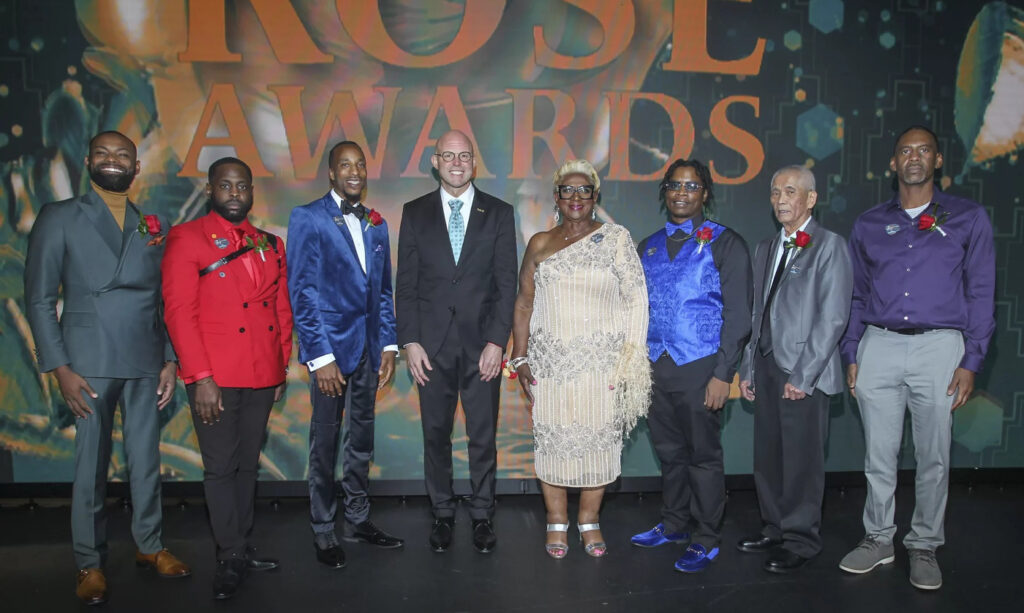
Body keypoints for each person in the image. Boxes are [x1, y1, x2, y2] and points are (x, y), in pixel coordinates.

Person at [23, 130, 190, 605]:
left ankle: (150, 545)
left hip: (145, 357)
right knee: (90, 467)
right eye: (103, 153)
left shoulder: (152, 223)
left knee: (146, 461)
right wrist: (59, 367)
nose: (112, 160)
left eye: (122, 155)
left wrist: (170, 359)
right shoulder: (59, 216)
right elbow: (38, 299)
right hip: (87, 360)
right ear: (88, 161)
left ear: (136, 167)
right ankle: (88, 562)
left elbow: (164, 300)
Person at [838, 125, 995, 590]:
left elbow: (981, 292)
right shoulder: (869, 224)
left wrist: (972, 359)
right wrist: (852, 350)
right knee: (878, 454)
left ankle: (924, 543)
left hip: (940, 347)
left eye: (923, 150)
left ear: (937, 160)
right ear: (893, 163)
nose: (914, 157)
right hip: (879, 344)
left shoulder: (968, 218)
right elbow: (856, 295)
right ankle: (878, 538)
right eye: (905, 151)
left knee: (934, 456)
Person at [161, 157, 292, 599]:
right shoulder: (187, 237)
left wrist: (280, 366)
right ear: (209, 190)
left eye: (242, 186)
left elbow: (281, 309)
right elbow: (179, 313)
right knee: (220, 467)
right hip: (215, 375)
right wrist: (200, 377)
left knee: (247, 463)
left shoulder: (270, 243)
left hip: (262, 371)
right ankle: (229, 553)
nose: (234, 193)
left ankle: (240, 543)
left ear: (252, 191)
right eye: (225, 185)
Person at [509, 159, 650, 559]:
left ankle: (589, 520)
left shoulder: (616, 239)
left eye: (583, 190)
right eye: (567, 190)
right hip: (550, 367)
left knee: (599, 444)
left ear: (594, 196)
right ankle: (556, 520)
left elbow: (637, 299)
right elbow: (524, 303)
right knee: (552, 442)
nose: (575, 196)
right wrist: (520, 357)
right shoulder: (539, 243)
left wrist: (630, 362)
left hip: (602, 367)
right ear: (556, 197)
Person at [395, 129, 518, 553]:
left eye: (464, 155)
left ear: (474, 163)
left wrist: (497, 342)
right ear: (435, 162)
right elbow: (406, 284)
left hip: (483, 346)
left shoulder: (499, 213)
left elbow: (506, 284)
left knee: (482, 436)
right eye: (448, 156)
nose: (456, 163)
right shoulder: (415, 213)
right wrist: (410, 341)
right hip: (430, 348)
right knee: (435, 435)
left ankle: (482, 514)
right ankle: (442, 513)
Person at [630, 159, 752, 573]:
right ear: (664, 191)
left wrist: (723, 375)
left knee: (703, 457)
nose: (681, 193)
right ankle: (674, 524)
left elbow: (739, 316)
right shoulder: (647, 246)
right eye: (674, 185)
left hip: (701, 367)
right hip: (655, 367)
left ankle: (706, 538)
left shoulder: (725, 242)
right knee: (669, 453)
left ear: (705, 193)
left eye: (691, 186)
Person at [287, 141, 403, 568]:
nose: (354, 172)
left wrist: (387, 346)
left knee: (361, 441)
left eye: (360, 165)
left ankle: (357, 518)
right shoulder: (308, 217)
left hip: (369, 352)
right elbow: (302, 293)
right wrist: (320, 357)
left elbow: (383, 292)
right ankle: (323, 528)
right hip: (330, 356)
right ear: (331, 173)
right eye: (345, 165)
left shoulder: (376, 223)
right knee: (325, 443)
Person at [736, 165, 852, 573]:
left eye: (790, 191)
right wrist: (749, 366)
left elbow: (833, 318)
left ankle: (801, 539)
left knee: (802, 460)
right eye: (775, 192)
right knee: (768, 455)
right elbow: (757, 313)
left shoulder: (830, 246)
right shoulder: (765, 247)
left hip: (804, 371)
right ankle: (774, 527)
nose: (781, 200)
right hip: (766, 365)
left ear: (810, 199)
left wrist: (804, 376)